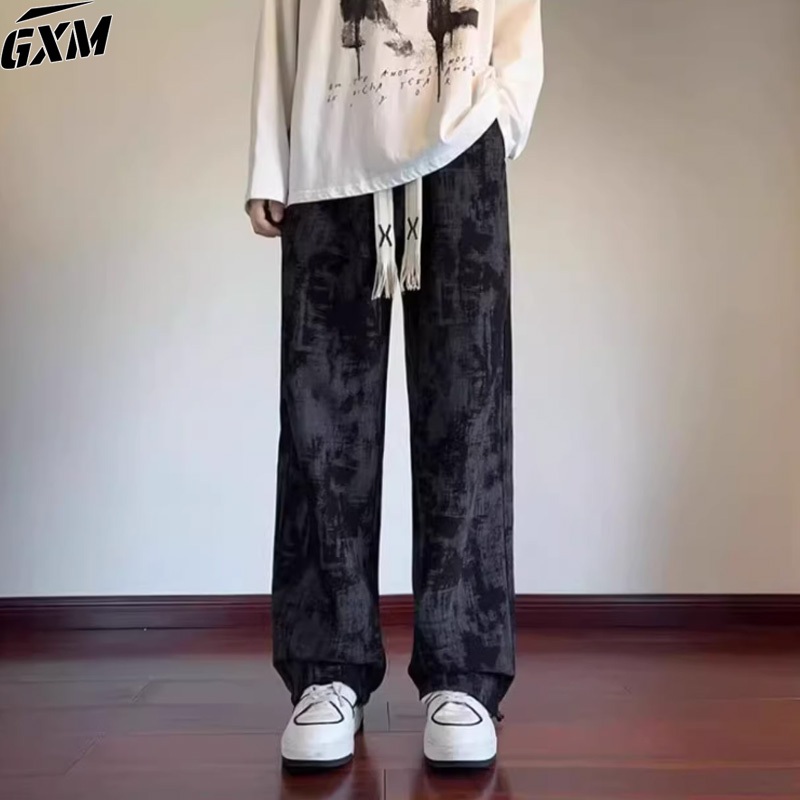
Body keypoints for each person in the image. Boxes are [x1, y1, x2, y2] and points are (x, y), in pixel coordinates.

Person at [246, 0, 544, 772]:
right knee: (321, 414)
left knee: (469, 405)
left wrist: (504, 111)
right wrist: (270, 158)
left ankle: (462, 672)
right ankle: (327, 668)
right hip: (329, 146)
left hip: (461, 135)